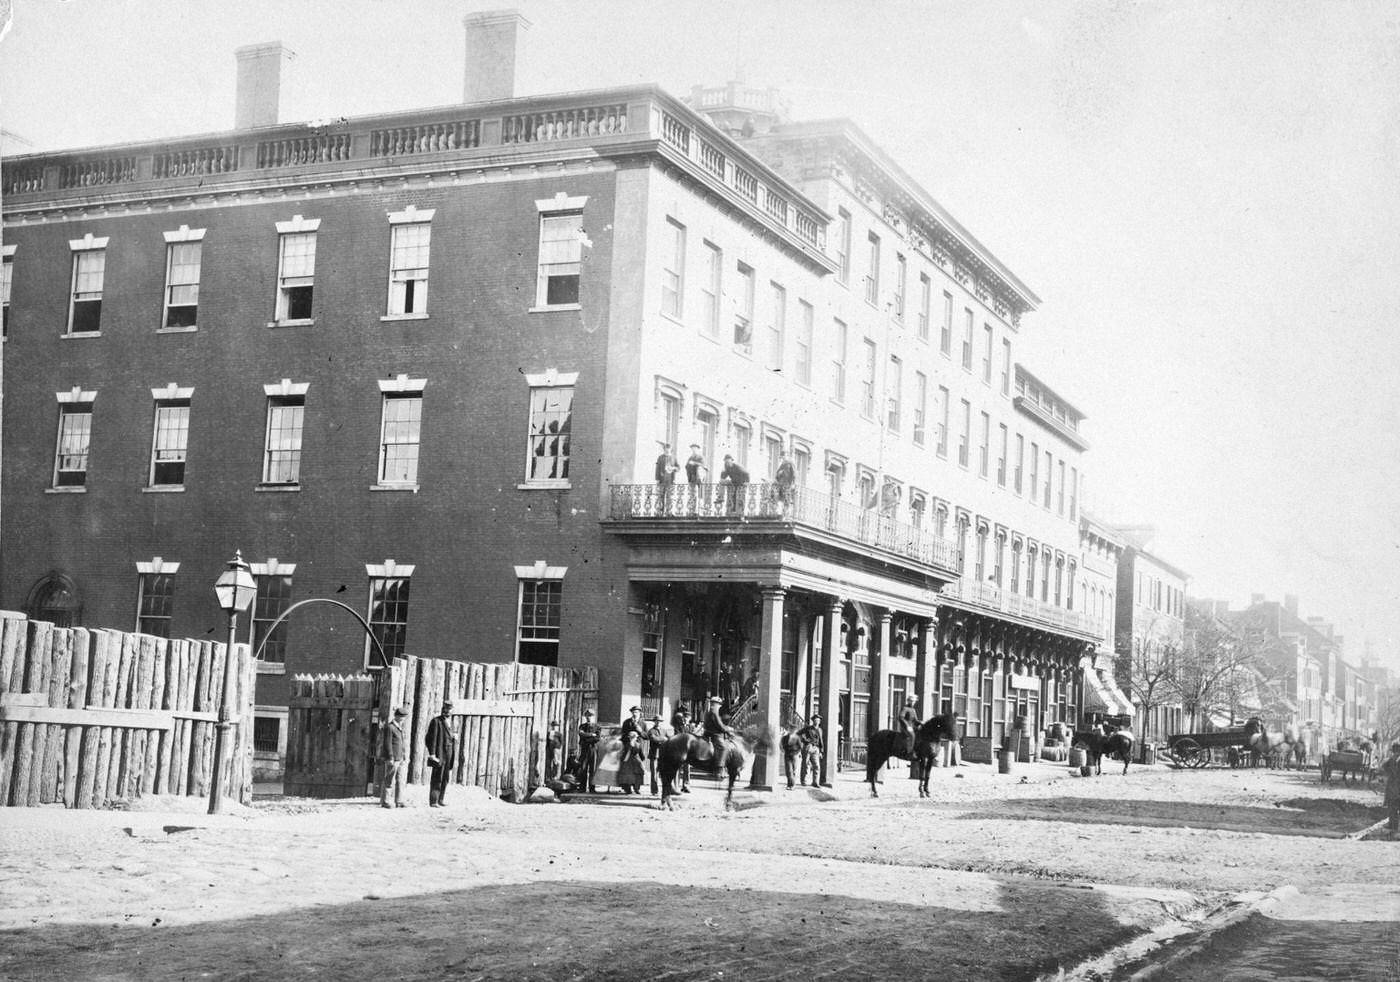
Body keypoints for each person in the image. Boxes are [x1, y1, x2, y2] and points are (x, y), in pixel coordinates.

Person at [425, 700, 457, 807]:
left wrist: (453, 737)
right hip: (440, 753)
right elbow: (430, 739)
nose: (447, 711)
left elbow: (449, 735)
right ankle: (434, 801)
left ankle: (441, 799)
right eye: (446, 709)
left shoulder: (452, 722)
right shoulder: (436, 721)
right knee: (437, 777)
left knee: (445, 777)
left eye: (449, 709)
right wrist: (432, 753)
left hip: (449, 753)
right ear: (443, 709)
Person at [380, 705, 409, 808]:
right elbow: (388, 744)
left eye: (404, 717)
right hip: (393, 758)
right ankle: (386, 801)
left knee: (400, 779)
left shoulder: (399, 727)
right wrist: (390, 757)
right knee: (389, 779)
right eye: (402, 717)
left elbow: (401, 743)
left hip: (400, 757)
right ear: (397, 716)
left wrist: (404, 755)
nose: (403, 719)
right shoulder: (390, 727)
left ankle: (399, 800)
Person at [702, 694, 734, 765]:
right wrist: (728, 729)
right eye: (719, 704)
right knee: (724, 747)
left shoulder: (711, 711)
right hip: (714, 734)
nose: (720, 706)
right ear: (715, 704)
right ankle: (719, 765)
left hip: (709, 732)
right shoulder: (714, 712)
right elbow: (719, 725)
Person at [575, 708, 601, 793]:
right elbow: (581, 735)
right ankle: (582, 788)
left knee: (593, 769)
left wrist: (587, 737)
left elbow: (597, 739)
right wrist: (591, 735)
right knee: (583, 768)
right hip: (584, 749)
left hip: (593, 749)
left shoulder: (597, 727)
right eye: (587, 716)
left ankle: (592, 788)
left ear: (594, 717)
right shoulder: (582, 726)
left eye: (591, 716)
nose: (589, 718)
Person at [670, 704, 693, 793]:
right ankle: (676, 786)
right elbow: (677, 736)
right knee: (677, 768)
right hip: (680, 750)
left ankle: (686, 785)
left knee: (687, 769)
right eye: (685, 717)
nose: (686, 719)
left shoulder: (691, 727)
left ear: (690, 718)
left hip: (688, 751)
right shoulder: (678, 727)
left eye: (688, 717)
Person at [798, 713, 824, 787]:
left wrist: (821, 751)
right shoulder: (808, 728)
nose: (817, 722)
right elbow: (798, 734)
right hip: (808, 747)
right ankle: (803, 781)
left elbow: (821, 741)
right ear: (813, 721)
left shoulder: (820, 730)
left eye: (818, 720)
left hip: (816, 749)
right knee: (805, 765)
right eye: (816, 720)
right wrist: (805, 740)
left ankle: (815, 782)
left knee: (816, 766)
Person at [1383, 741, 1400, 836]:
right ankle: (1393, 826)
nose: (1395, 752)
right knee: (1392, 808)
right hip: (1393, 787)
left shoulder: (1392, 760)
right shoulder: (1391, 760)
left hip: (1395, 787)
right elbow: (1384, 767)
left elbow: (1384, 767)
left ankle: (1394, 826)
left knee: (1393, 807)